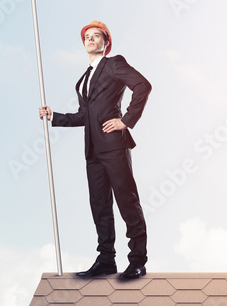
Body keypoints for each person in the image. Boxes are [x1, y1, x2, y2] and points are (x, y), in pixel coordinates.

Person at [38, 21, 152, 280]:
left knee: (127, 202)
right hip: (92, 150)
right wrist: (53, 115)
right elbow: (84, 116)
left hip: (114, 145)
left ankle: (137, 260)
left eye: (96, 36)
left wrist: (126, 120)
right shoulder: (84, 78)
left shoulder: (114, 64)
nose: (90, 39)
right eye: (87, 37)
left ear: (106, 42)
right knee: (99, 205)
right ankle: (106, 260)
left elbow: (143, 86)